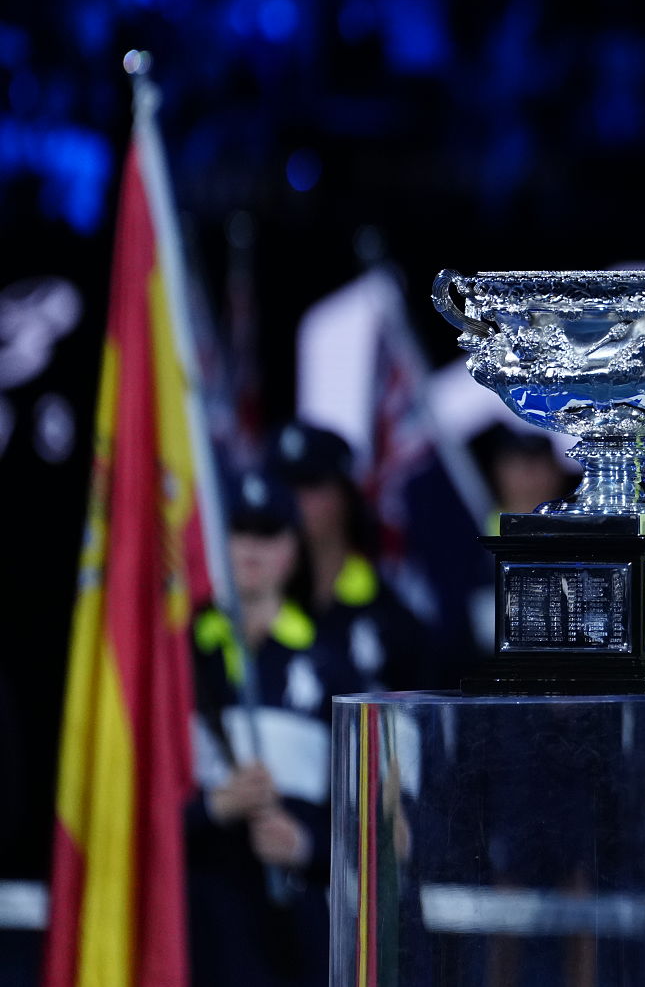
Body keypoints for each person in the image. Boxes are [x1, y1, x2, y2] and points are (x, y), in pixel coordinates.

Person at [188, 464, 363, 986]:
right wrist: (214, 807)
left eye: (267, 533)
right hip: (198, 931)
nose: (251, 548)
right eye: (239, 530)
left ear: (292, 548)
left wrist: (306, 846)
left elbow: (372, 820)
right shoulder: (179, 660)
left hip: (293, 938)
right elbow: (135, 808)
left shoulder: (333, 668)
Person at [272, 422, 431, 691]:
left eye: (310, 483)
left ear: (346, 495)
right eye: (282, 484)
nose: (294, 499)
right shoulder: (250, 607)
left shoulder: (390, 618)